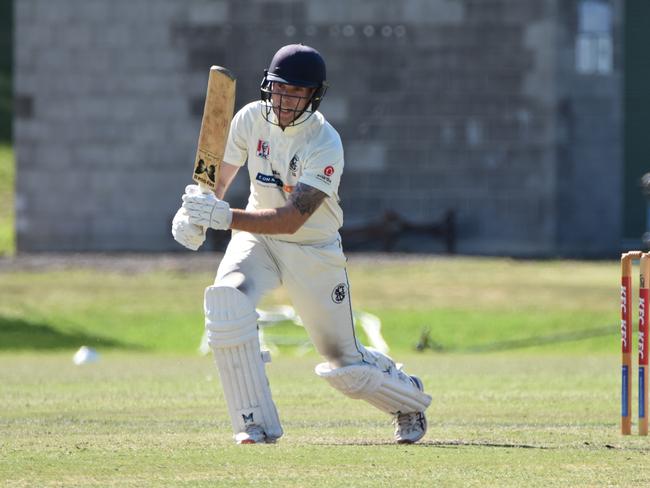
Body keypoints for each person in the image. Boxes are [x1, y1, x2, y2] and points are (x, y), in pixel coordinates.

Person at [171, 44, 431, 444]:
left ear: (314, 95)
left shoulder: (324, 142)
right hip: (257, 238)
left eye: (298, 92)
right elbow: (215, 184)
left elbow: (293, 220)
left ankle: (407, 400)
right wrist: (194, 213)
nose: (286, 100)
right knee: (227, 302)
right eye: (280, 89)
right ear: (268, 87)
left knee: (345, 365)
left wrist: (223, 218)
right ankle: (254, 423)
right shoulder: (249, 120)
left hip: (312, 249)